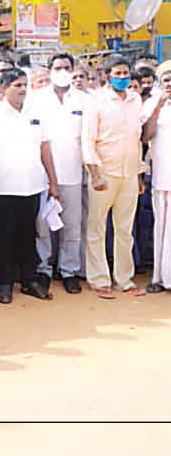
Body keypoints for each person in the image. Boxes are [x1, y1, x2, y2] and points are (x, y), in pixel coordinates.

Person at [0, 68, 60, 304]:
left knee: (28, 235)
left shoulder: (37, 113)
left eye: (24, 85)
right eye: (17, 85)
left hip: (32, 186)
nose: (23, 90)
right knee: (4, 237)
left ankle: (29, 280)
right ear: (2, 87)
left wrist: (53, 181)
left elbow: (45, 149)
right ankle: (4, 284)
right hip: (3, 188)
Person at [82, 55, 147, 299]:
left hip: (129, 174)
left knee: (125, 230)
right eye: (117, 74)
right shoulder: (96, 101)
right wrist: (95, 174)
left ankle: (124, 279)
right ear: (106, 75)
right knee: (97, 228)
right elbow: (87, 141)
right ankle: (99, 279)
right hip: (104, 174)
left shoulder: (134, 99)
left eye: (125, 73)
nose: (122, 78)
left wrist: (139, 175)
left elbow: (137, 140)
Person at [33, 53, 90, 294]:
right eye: (58, 67)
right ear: (49, 70)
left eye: (67, 67)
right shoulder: (36, 99)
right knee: (42, 226)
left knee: (72, 227)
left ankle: (69, 270)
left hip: (73, 174)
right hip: (41, 175)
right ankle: (44, 269)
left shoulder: (85, 100)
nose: (63, 70)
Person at [143, 60, 171, 293]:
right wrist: (158, 108)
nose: (170, 83)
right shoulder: (153, 104)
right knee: (161, 226)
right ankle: (160, 278)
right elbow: (146, 137)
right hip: (162, 175)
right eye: (166, 79)